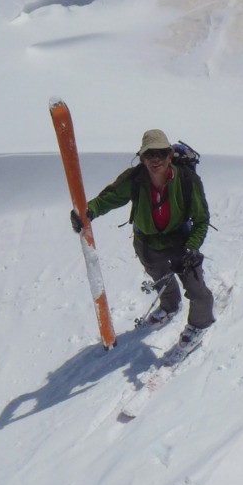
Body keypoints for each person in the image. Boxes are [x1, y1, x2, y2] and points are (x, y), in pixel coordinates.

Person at [70, 129, 214, 343]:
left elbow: (201, 219)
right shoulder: (135, 179)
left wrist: (191, 247)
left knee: (196, 288)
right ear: (142, 157)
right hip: (146, 243)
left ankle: (199, 324)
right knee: (160, 277)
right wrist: (86, 212)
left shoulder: (187, 179)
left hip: (181, 242)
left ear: (169, 155)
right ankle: (170, 306)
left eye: (161, 153)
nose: (155, 159)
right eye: (149, 154)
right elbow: (109, 198)